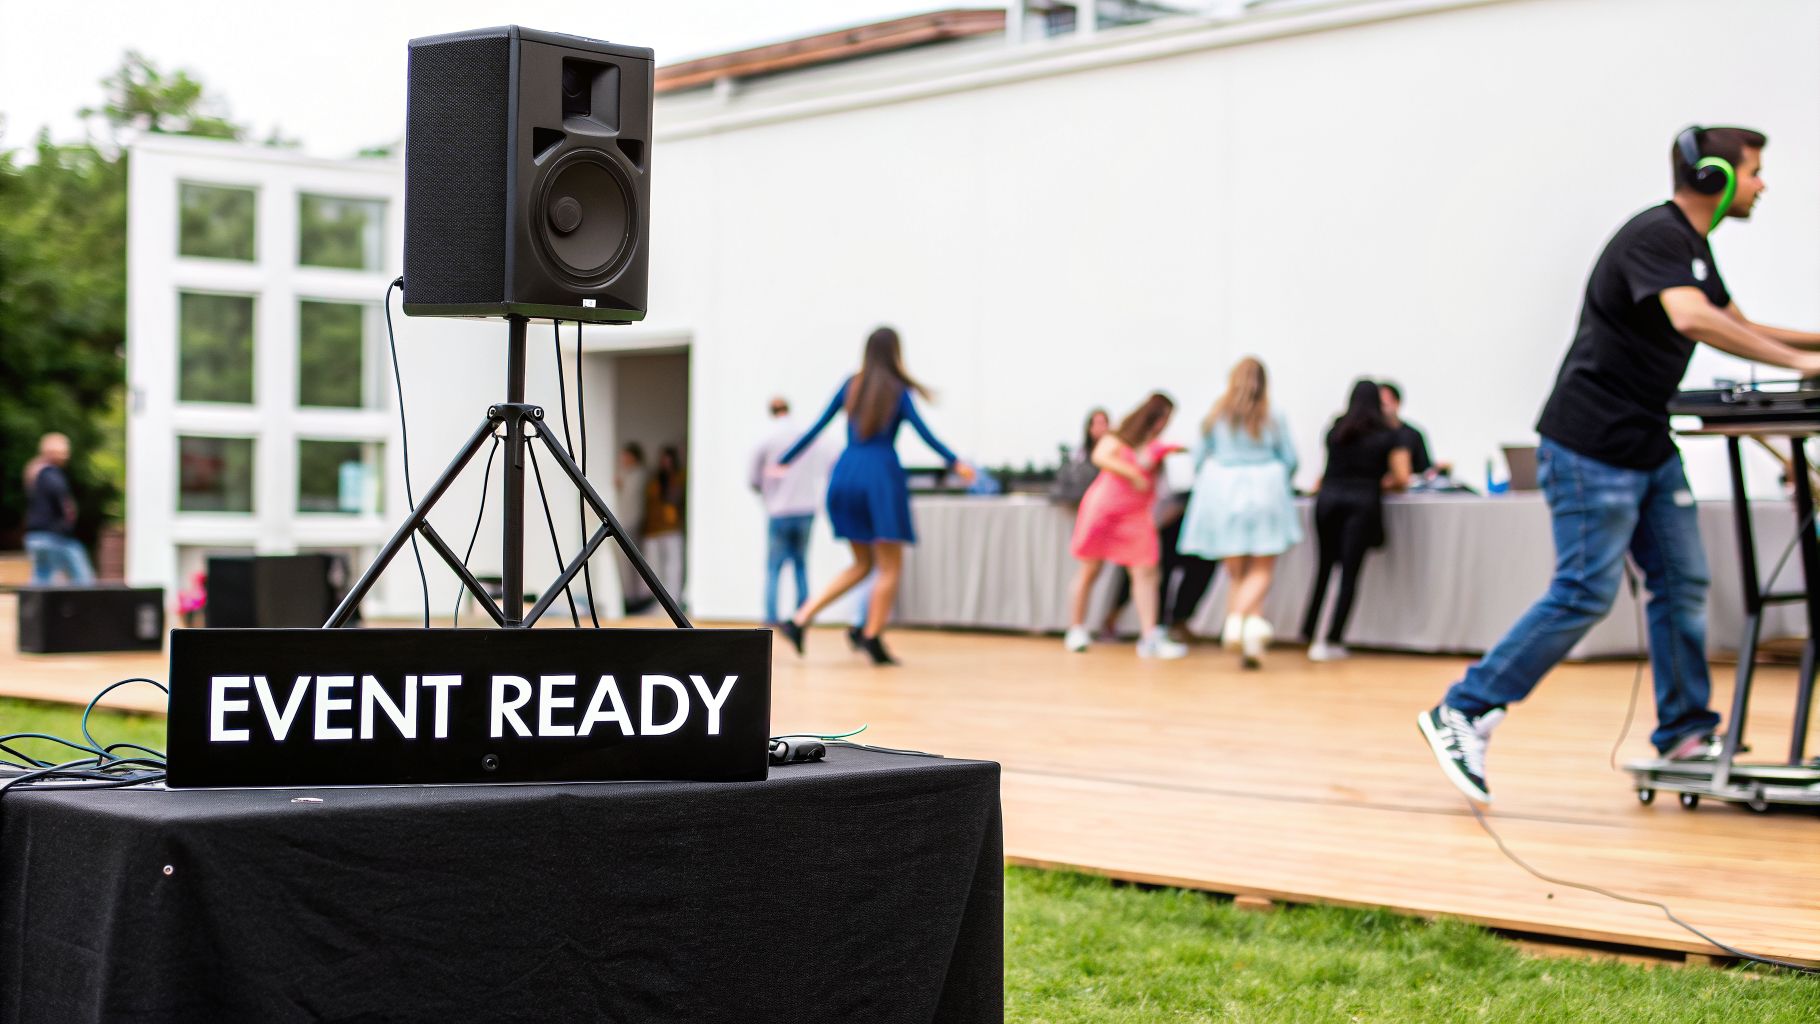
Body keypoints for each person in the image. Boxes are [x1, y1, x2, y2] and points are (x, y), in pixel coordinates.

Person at [1420, 125, 1820, 804]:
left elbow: (1740, 325)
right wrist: (1800, 364)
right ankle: (1464, 708)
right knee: (1584, 590)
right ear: (1715, 176)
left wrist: (1812, 346)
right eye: (1753, 171)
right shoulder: (1656, 236)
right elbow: (1692, 319)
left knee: (1682, 580)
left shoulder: (1692, 249)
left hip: (1647, 445)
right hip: (1591, 445)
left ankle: (1685, 731)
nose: (1762, 185)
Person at [775, 326, 973, 665]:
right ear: (895, 352)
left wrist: (785, 459)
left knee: (863, 564)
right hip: (880, 477)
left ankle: (800, 618)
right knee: (890, 566)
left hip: (846, 474)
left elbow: (817, 426)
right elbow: (925, 434)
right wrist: (955, 462)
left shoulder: (850, 385)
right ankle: (871, 636)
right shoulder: (897, 390)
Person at [1178, 357, 1300, 668]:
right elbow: (1290, 458)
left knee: (1237, 575)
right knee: (1261, 569)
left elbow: (1198, 457)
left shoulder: (1216, 414)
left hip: (1223, 493)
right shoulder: (1273, 414)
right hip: (1265, 490)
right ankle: (1238, 622)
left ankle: (1247, 641)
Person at [1064, 393, 1189, 659]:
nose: (1165, 424)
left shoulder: (1155, 446)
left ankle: (1149, 638)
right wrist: (1132, 473)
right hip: (1105, 511)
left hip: (1136, 516)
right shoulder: (1119, 438)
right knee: (1090, 570)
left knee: (1146, 571)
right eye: (1163, 417)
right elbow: (1100, 456)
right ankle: (1076, 629)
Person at [1301, 380, 1411, 662]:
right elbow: (1402, 477)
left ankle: (1309, 631)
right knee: (1349, 573)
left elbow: (1327, 468)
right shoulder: (1387, 433)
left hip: (1327, 501)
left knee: (1324, 568)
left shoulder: (1337, 429)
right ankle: (1332, 639)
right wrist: (1377, 481)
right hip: (1362, 503)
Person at [750, 397, 832, 624]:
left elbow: (753, 477)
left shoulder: (767, 438)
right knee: (801, 565)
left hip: (779, 510)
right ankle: (802, 617)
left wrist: (766, 492)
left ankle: (771, 618)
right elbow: (824, 465)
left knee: (773, 567)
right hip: (806, 508)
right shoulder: (805, 436)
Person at [23, 432, 94, 585]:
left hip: (34, 536)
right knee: (82, 576)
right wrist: (68, 522)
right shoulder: (51, 474)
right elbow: (63, 503)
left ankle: (35, 602)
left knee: (42, 577)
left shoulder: (36, 472)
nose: (67, 456)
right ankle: (88, 600)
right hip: (53, 535)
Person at [642, 446, 686, 605]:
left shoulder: (679, 478)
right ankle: (656, 602)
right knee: (655, 568)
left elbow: (677, 499)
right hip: (654, 529)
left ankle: (673, 600)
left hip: (672, 528)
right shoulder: (655, 480)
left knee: (673, 566)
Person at [615, 442, 651, 611]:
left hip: (632, 522)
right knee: (627, 562)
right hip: (626, 522)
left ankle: (634, 597)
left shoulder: (639, 475)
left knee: (633, 561)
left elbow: (633, 499)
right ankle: (629, 597)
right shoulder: (627, 474)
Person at [1378, 382, 1433, 476]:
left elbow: (1425, 470)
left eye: (1383, 404)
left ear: (1397, 403)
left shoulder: (1412, 434)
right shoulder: (1368, 436)